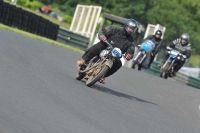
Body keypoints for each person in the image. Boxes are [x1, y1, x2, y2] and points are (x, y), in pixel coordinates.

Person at [76, 19, 138, 83]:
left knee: (119, 64)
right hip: (105, 45)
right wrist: (102, 36)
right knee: (98, 46)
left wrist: (129, 55)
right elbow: (103, 31)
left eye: (133, 29)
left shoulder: (132, 41)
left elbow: (131, 50)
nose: (131, 30)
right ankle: (83, 60)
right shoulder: (114, 28)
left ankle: (103, 75)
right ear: (126, 26)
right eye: (130, 28)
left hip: (115, 55)